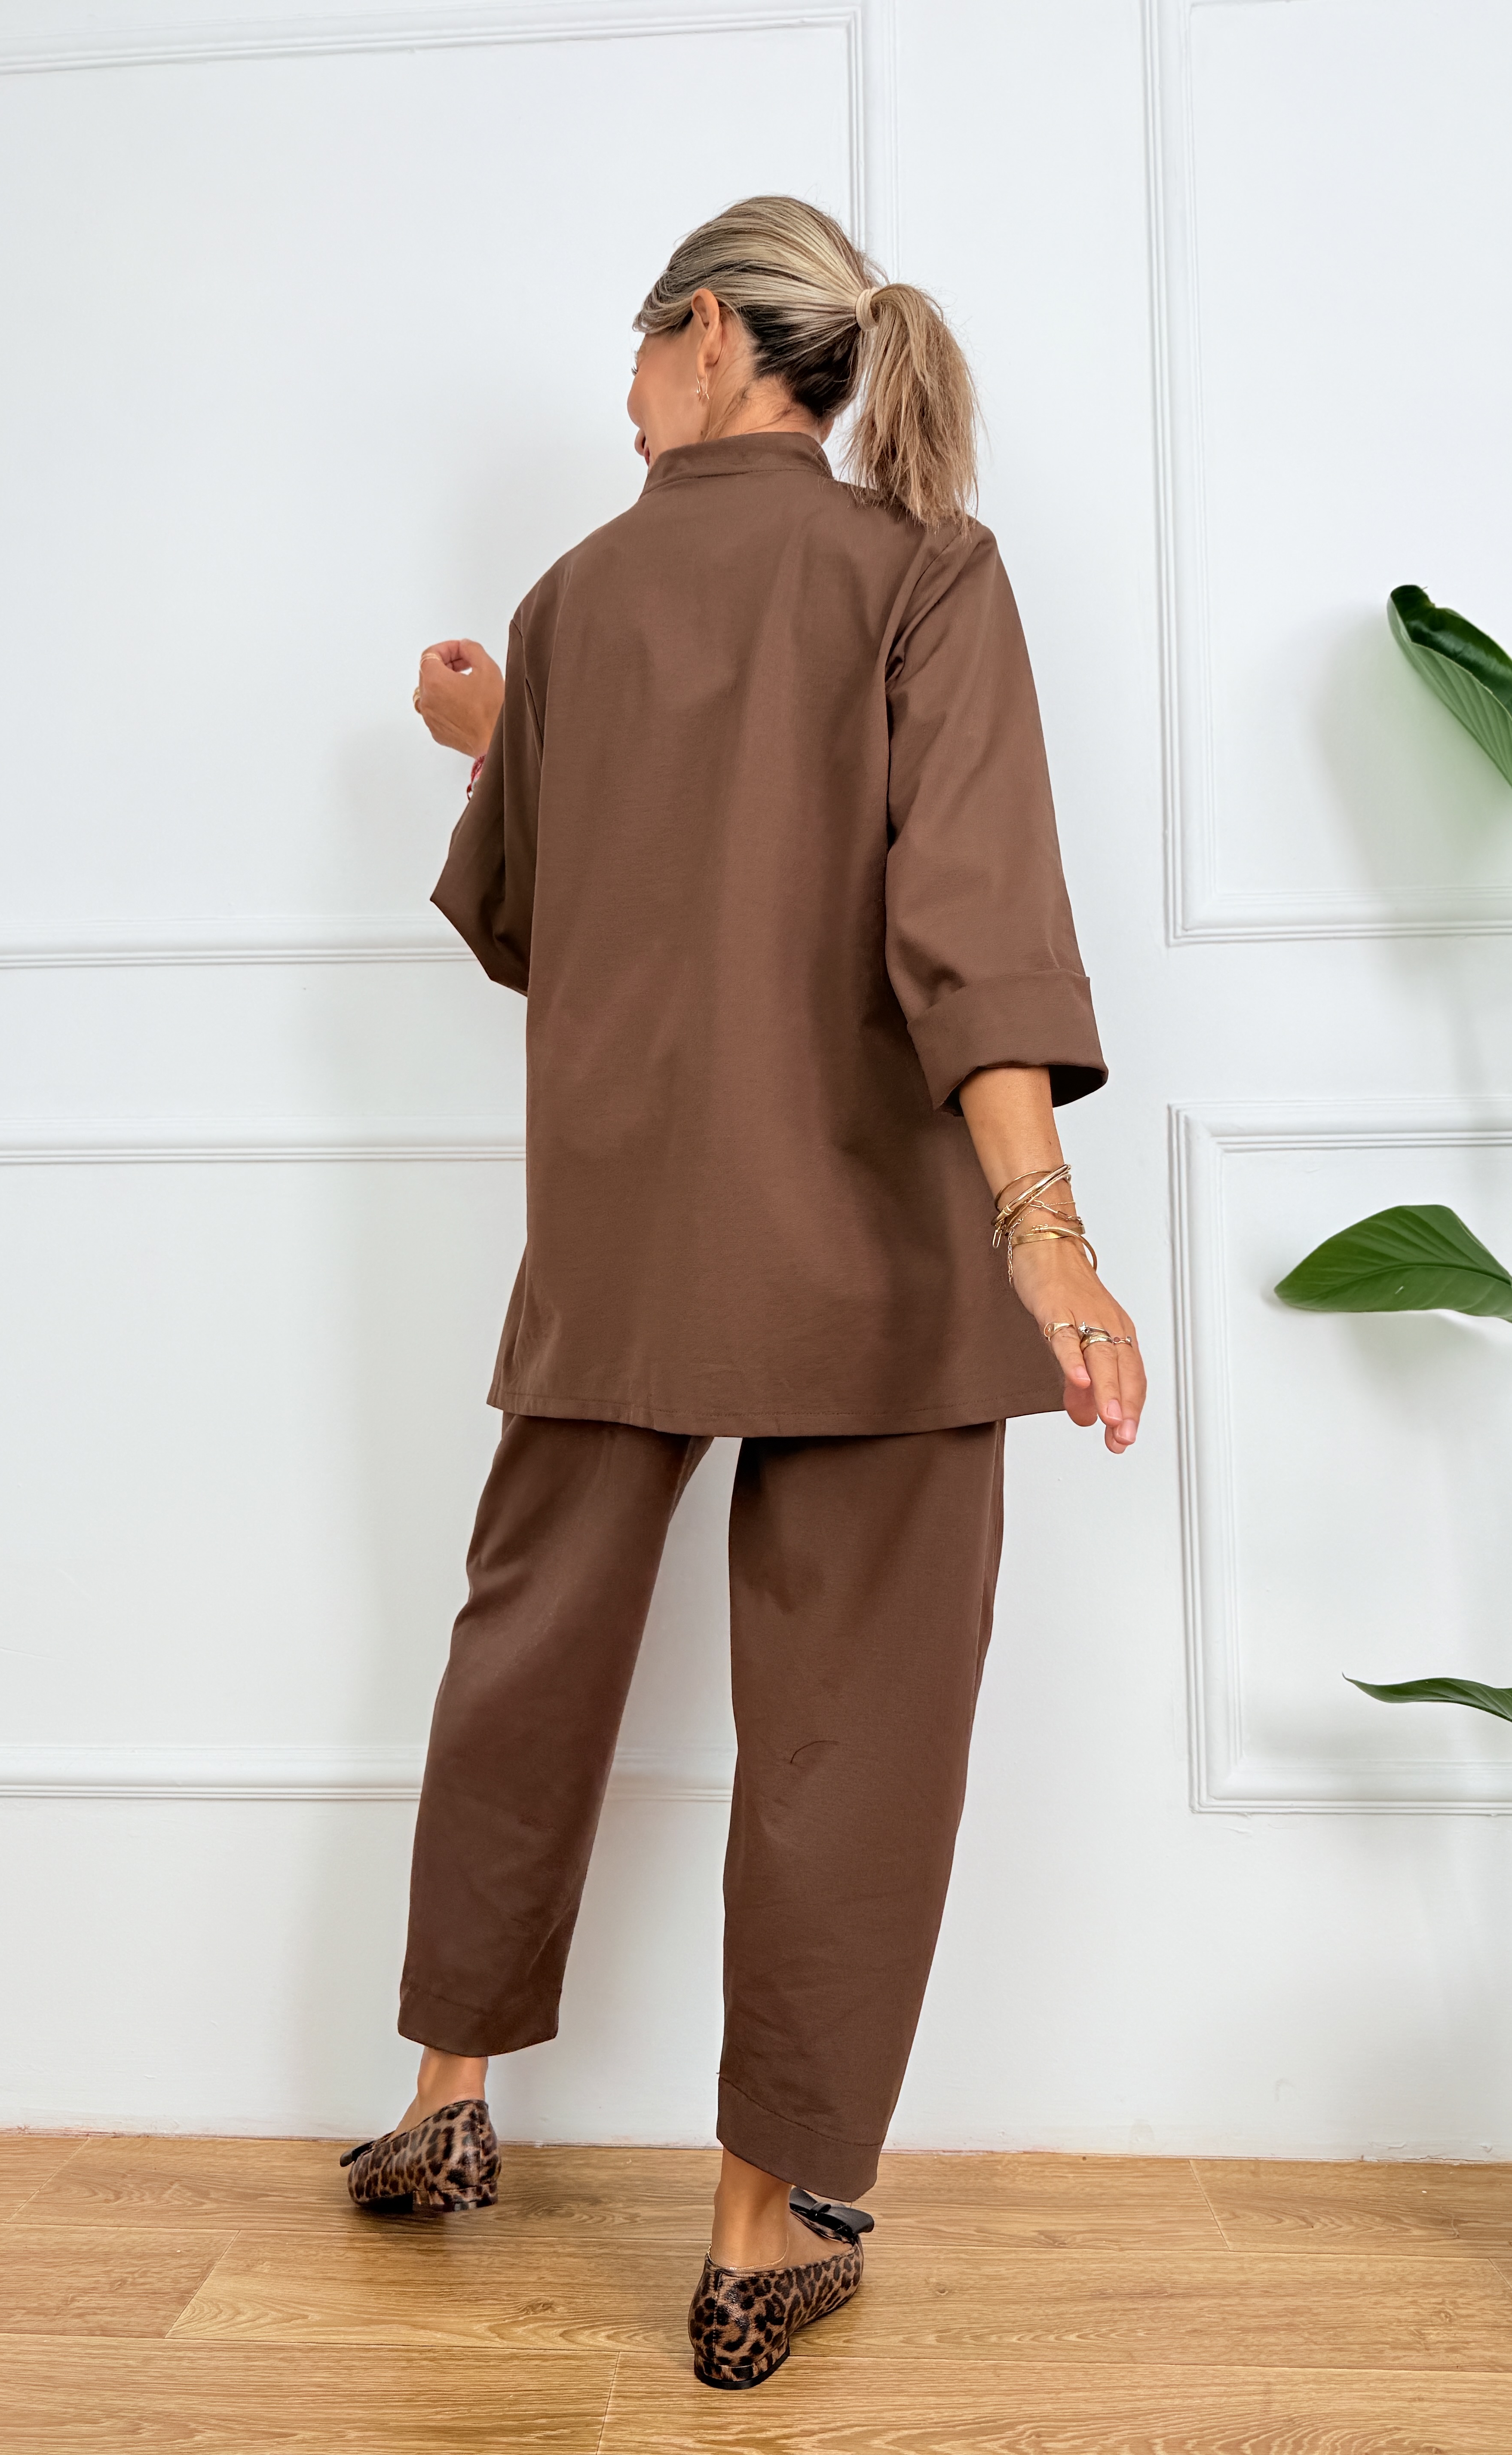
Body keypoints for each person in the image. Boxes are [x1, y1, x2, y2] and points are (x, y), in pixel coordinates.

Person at [341, 195, 1144, 2392]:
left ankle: (444, 2100)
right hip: (875, 1253)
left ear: (706, 334)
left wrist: (501, 730)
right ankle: (755, 2233)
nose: (621, 400)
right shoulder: (926, 570)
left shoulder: (573, 601)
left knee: (525, 1655)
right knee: (848, 1733)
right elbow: (969, 922)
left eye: (635, 354)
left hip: (624, 1233)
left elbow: (541, 926)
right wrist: (1046, 1232)